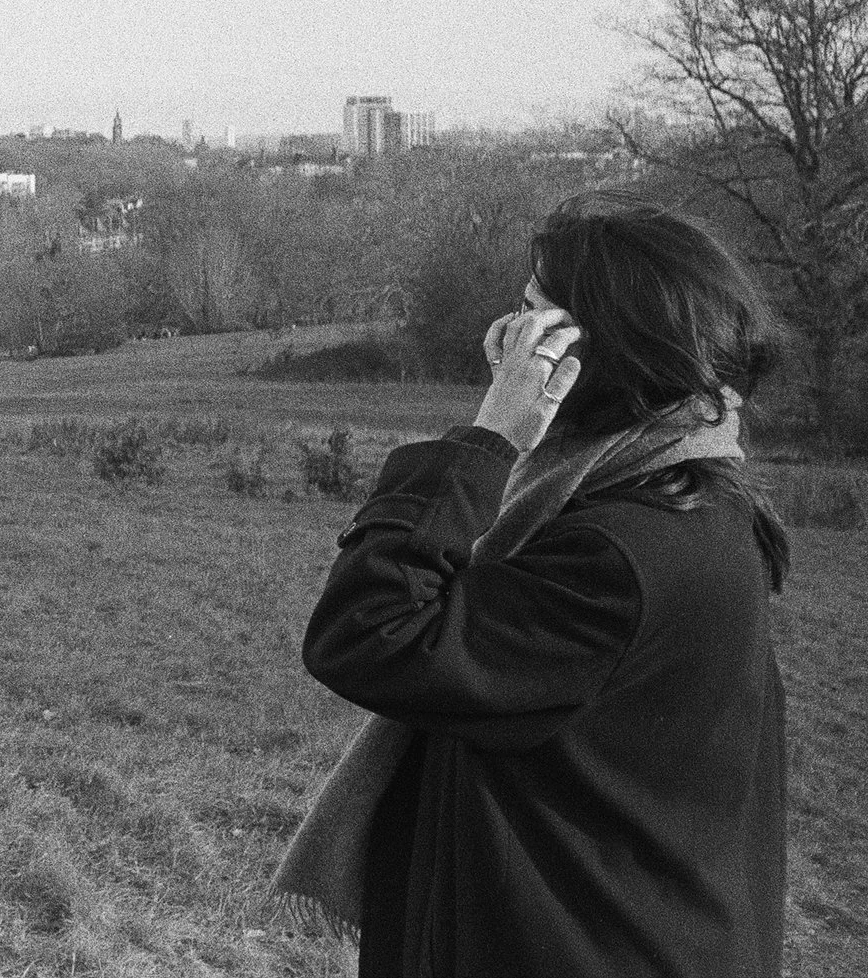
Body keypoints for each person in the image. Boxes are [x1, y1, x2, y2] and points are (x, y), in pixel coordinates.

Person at [279, 192, 791, 977]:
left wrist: (492, 434)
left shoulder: (617, 556)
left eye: (531, 318)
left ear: (596, 351)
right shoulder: (687, 494)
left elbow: (368, 631)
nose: (508, 338)